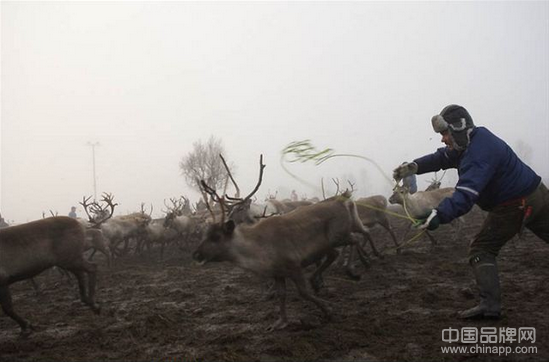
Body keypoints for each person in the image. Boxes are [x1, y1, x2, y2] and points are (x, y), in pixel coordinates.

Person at [393, 104, 549, 319]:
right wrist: (414, 166)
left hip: (515, 204)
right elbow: (441, 158)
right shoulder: (472, 140)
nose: (443, 139)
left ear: (458, 128)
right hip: (537, 193)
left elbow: (466, 193)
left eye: (445, 133)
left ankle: (490, 306)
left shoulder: (478, 154)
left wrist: (438, 214)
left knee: (481, 250)